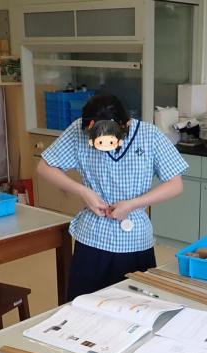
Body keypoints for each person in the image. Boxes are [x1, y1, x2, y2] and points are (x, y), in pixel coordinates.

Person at [38, 94, 187, 301]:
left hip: (134, 240)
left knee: (134, 306)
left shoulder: (149, 135)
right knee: (85, 305)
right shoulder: (78, 129)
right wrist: (83, 192)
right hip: (92, 237)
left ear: (125, 125)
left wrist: (133, 204)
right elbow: (45, 167)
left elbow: (175, 184)